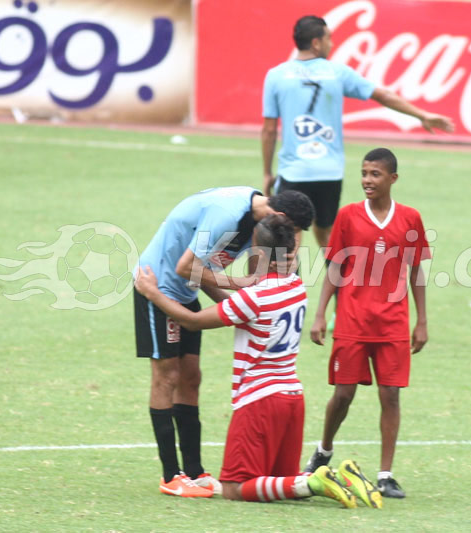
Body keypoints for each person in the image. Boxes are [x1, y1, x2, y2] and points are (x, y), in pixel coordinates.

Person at [135, 214, 383, 509]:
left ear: (260, 255)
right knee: (279, 482)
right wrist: (200, 279)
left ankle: (312, 481)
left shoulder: (253, 298)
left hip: (259, 401)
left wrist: (152, 292)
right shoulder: (296, 286)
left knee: (233, 487)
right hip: (292, 400)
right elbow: (240, 307)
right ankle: (341, 478)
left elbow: (192, 321)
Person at [134, 186, 314, 497]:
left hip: (186, 293)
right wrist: (240, 286)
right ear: (280, 216)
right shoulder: (227, 216)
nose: (293, 241)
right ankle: (170, 476)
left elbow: (206, 273)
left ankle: (194, 472)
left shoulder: (257, 224)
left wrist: (239, 306)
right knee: (167, 376)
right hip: (157, 287)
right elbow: (186, 268)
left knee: (191, 378)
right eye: (294, 231)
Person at [262, 15, 454, 249]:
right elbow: (383, 95)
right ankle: (342, 276)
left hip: (294, 171)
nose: (332, 43)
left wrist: (267, 172)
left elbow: (269, 130)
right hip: (329, 172)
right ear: (316, 43)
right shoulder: (337, 72)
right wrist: (421, 115)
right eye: (329, 38)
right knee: (327, 236)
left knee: (289, 236)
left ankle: (289, 275)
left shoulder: (276, 75)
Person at [304, 148, 431, 499]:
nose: (367, 180)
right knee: (343, 395)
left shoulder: (410, 218)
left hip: (393, 324)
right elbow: (334, 268)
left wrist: (422, 321)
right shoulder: (347, 216)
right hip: (352, 321)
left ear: (393, 178)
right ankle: (324, 451)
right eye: (364, 173)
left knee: (390, 395)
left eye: (375, 174)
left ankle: (386, 475)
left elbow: (416, 271)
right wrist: (320, 313)